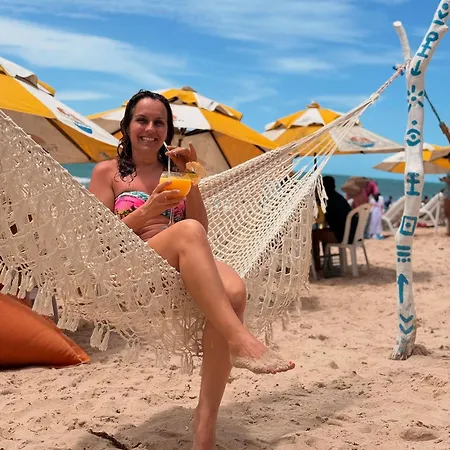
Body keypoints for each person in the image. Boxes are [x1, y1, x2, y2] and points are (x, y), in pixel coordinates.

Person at [89, 90, 294, 449]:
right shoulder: (107, 173)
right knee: (187, 233)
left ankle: (204, 424)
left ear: (167, 130)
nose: (150, 128)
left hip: (181, 258)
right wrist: (148, 211)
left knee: (234, 291)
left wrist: (192, 175)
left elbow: (201, 226)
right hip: (134, 264)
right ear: (127, 125)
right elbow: (101, 241)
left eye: (159, 122)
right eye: (142, 120)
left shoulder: (174, 172)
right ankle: (240, 339)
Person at [312, 176, 356, 271]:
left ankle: (317, 265)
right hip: (352, 234)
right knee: (322, 232)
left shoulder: (327, 200)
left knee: (313, 235)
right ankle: (327, 262)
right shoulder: (339, 197)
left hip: (341, 236)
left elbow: (321, 220)